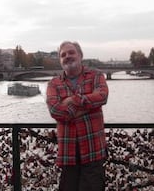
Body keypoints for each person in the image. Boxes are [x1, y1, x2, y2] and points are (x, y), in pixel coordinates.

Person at [46, 41, 109, 191]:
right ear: (60, 61)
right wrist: (88, 104)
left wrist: (71, 100)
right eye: (63, 55)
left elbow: (102, 97)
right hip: (69, 154)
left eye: (71, 52)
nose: (67, 56)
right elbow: (55, 110)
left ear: (80, 55)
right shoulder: (53, 84)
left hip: (93, 151)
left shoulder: (96, 76)